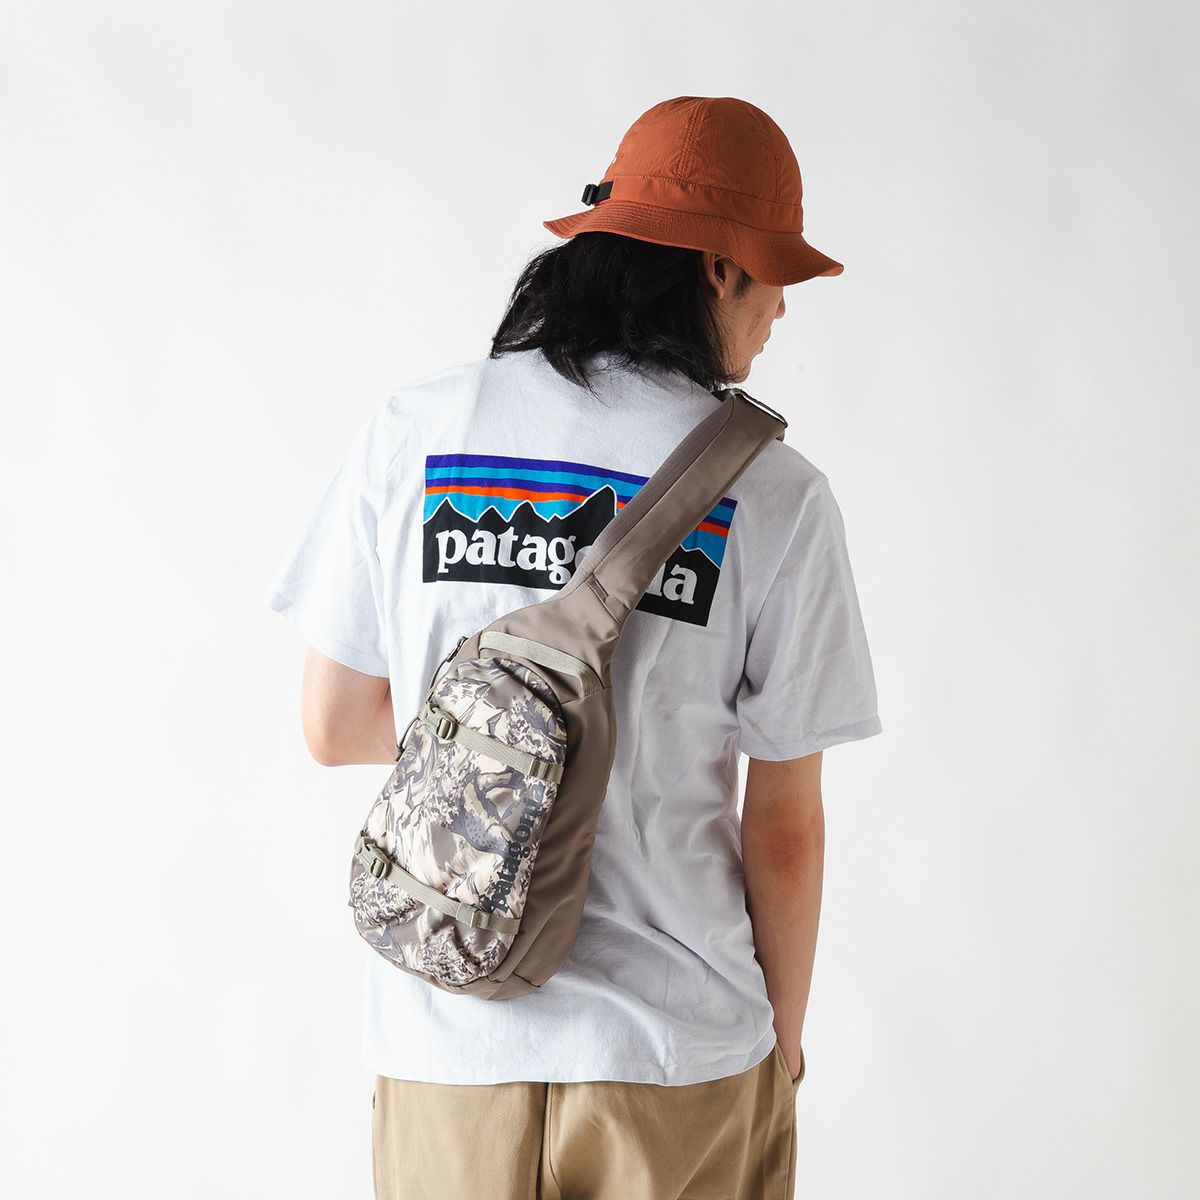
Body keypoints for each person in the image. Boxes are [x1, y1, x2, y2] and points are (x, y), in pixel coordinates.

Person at [262, 95, 882, 1200]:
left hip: (447, 1045)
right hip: (676, 1057)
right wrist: (783, 1047)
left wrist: (511, 750)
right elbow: (783, 828)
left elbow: (334, 723)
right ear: (718, 269)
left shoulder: (418, 431)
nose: (784, 305)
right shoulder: (776, 495)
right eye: (775, 272)